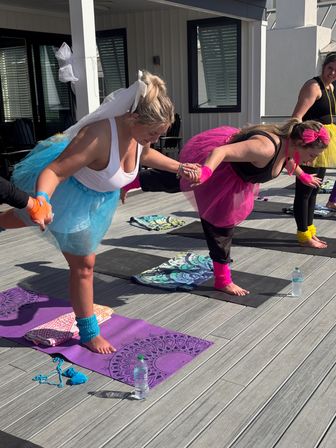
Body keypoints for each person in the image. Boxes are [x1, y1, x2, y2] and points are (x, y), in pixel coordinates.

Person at [0, 70, 196, 354]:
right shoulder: (97, 136)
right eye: (153, 133)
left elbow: (145, 154)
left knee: (20, 218)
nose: (155, 138)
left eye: (160, 133)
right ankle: (89, 332)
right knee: (84, 266)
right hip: (71, 195)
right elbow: (55, 171)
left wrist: (178, 166)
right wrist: (41, 200)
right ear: (132, 118)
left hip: (99, 200)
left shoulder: (140, 135)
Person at [178, 118, 329, 297]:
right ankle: (222, 281)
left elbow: (287, 159)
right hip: (218, 173)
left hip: (236, 179)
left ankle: (147, 176)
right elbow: (221, 151)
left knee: (219, 224)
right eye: (312, 155)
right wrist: (205, 172)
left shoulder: (287, 146)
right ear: (298, 143)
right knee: (220, 227)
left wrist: (302, 175)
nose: (314, 160)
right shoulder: (265, 148)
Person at [291, 52, 336, 248]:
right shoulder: (313, 86)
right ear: (323, 67)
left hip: (324, 145)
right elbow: (297, 117)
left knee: (314, 189)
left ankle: (310, 230)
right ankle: (303, 234)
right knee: (304, 191)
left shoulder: (331, 88)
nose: (332, 73)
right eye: (330, 68)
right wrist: (299, 147)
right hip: (310, 144)